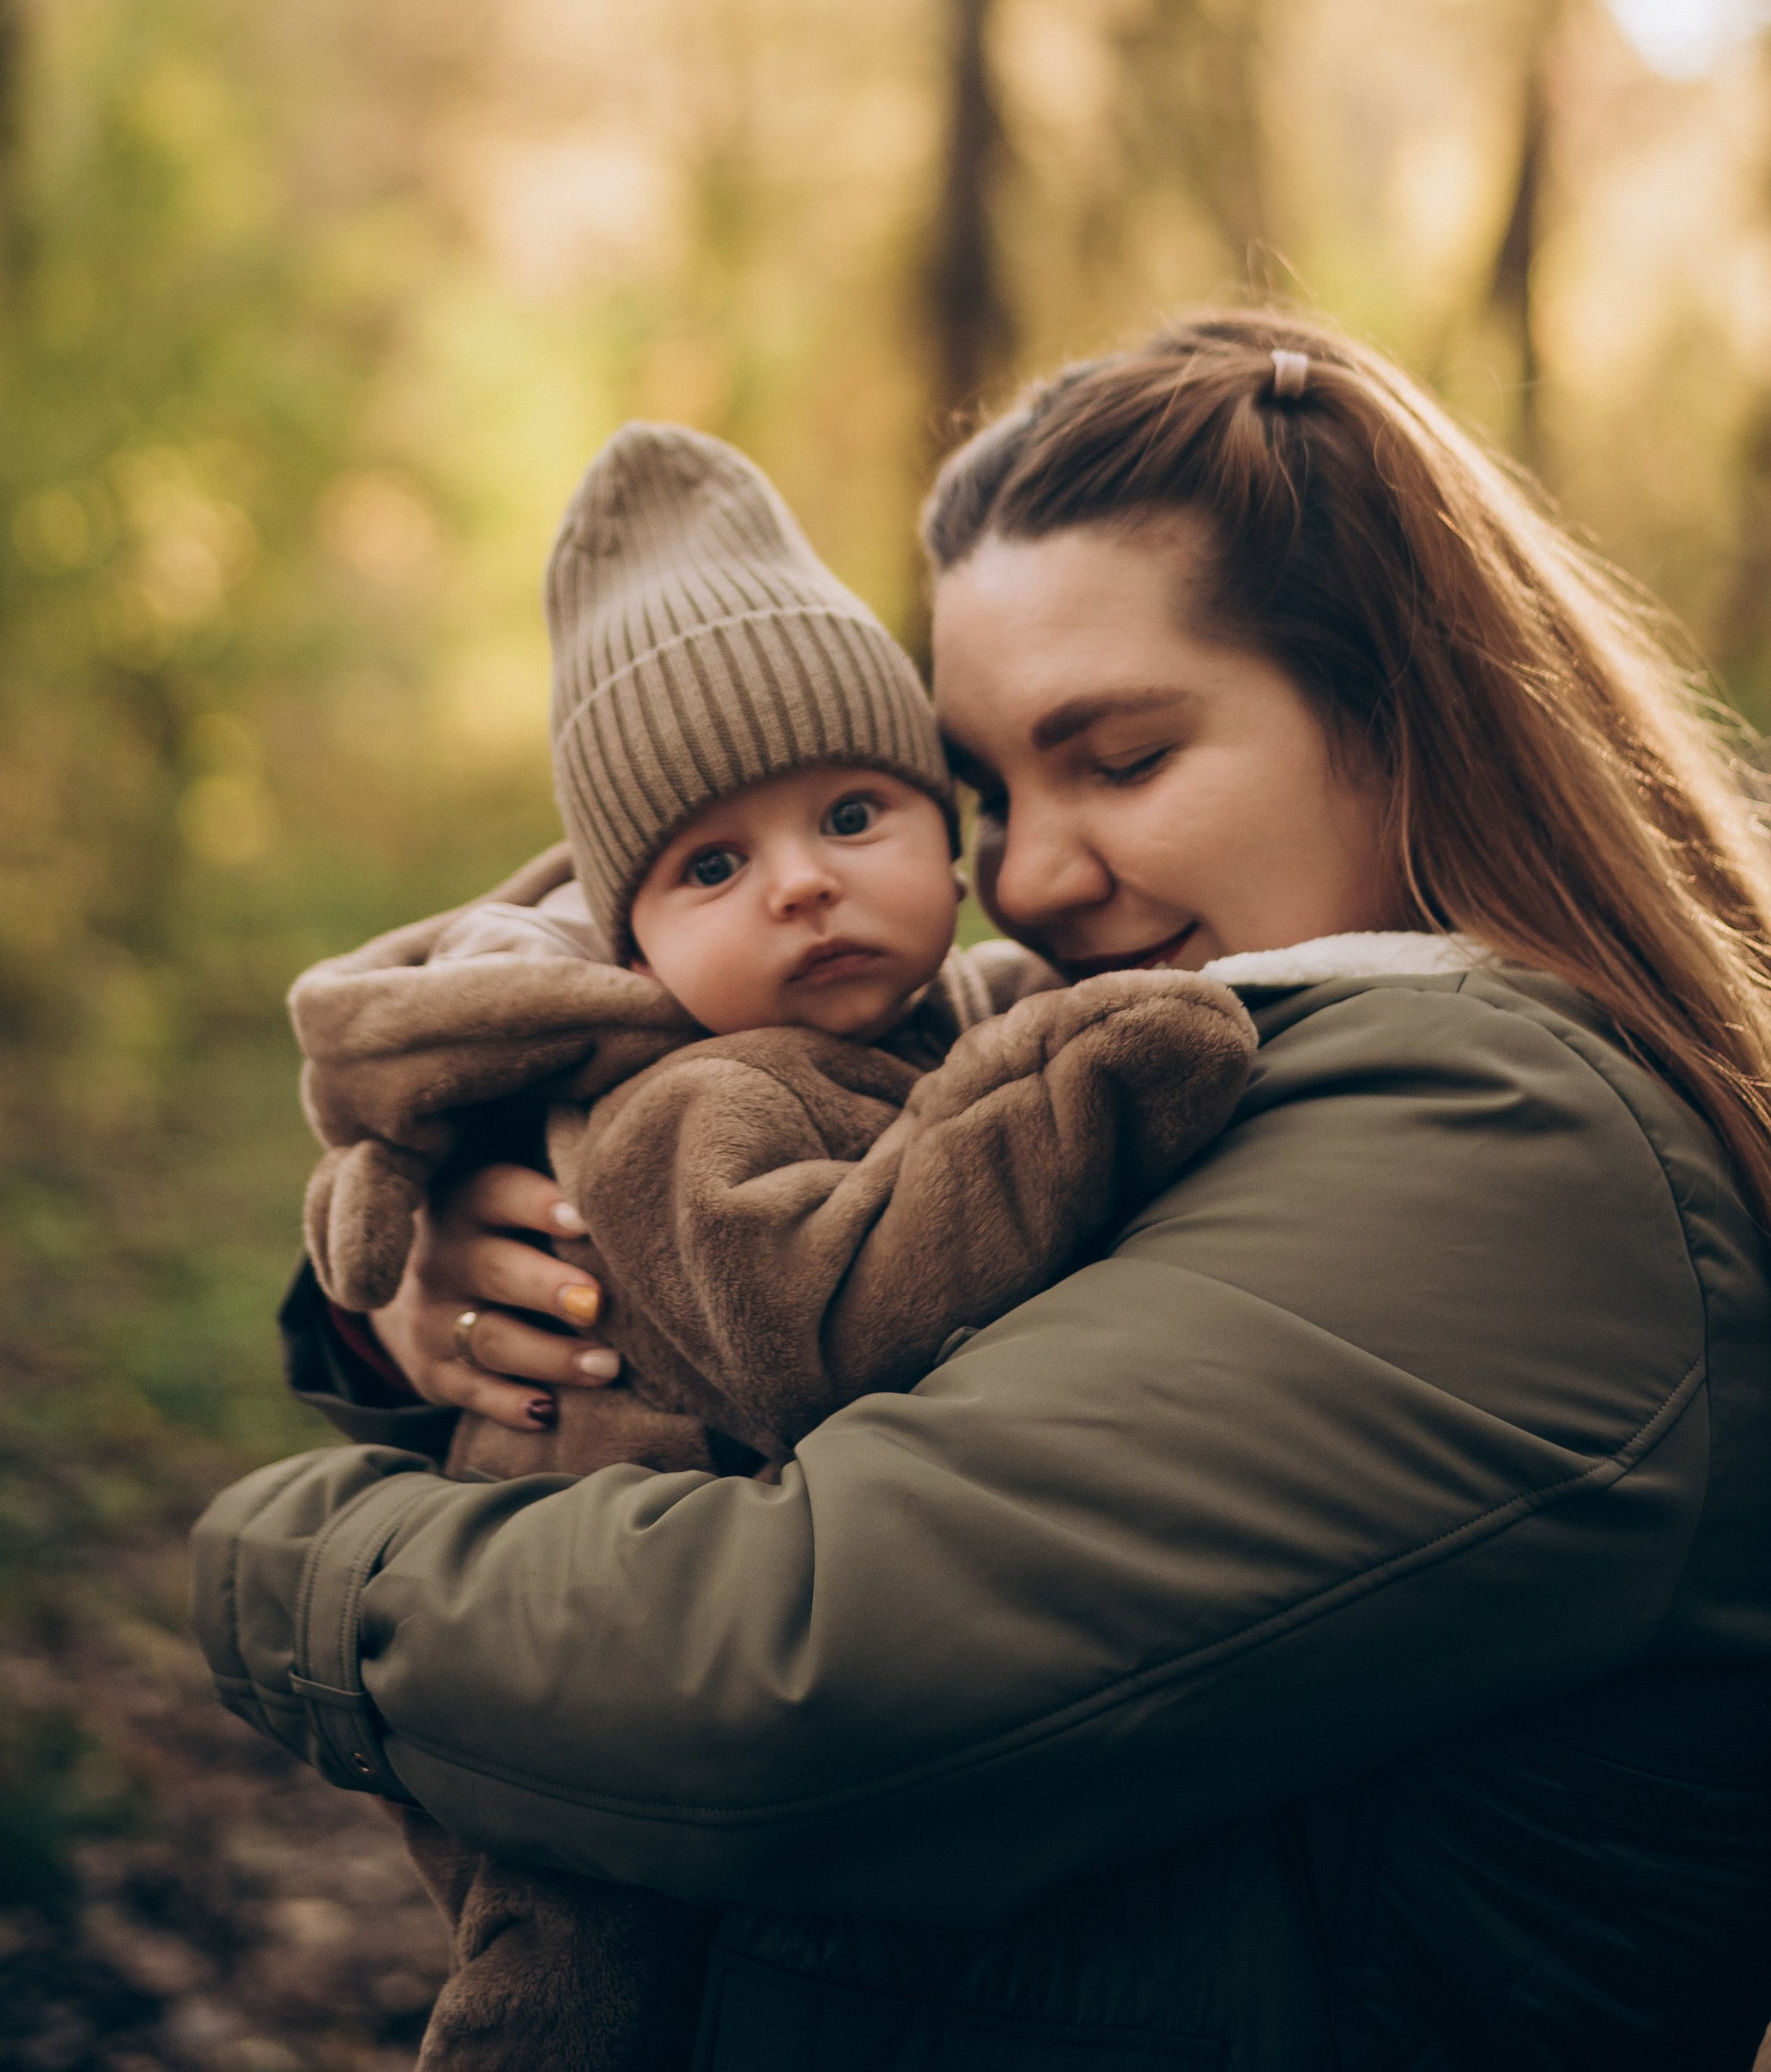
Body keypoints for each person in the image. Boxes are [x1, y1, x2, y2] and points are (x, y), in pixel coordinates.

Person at [194, 314, 1771, 2072]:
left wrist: (286, 1566)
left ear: (1400, 715)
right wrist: (468, 1278)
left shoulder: (1495, 1149)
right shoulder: (1261, 1063)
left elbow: (791, 1670)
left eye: (1121, 758)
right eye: (983, 789)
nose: (1032, 877)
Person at [284, 420, 1254, 2071]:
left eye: (855, 813)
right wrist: (1076, 1092)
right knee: (566, 1982)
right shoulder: (689, 1107)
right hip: (584, 1667)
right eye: (714, 865)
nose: (803, 886)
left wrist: (1041, 1047)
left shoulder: (984, 1006)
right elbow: (822, 1322)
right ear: (635, 935)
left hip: (764, 1694)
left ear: (944, 833)